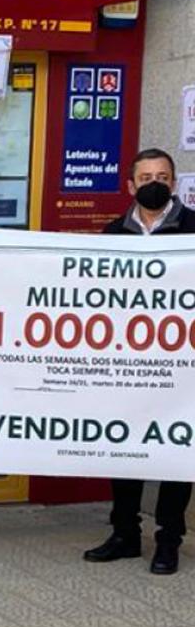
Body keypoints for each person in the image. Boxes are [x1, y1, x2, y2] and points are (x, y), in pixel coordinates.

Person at [84, 148, 195, 576]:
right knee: (125, 447)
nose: (155, 183)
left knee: (177, 452)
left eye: (162, 176)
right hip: (127, 364)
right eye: (146, 176)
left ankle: (168, 540)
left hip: (180, 367)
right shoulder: (113, 234)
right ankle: (125, 534)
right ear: (130, 186)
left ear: (174, 183)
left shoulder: (192, 229)